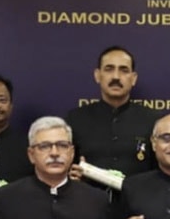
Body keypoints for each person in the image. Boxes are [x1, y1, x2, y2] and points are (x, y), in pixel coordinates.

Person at [65, 45, 160, 181]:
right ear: (97, 75)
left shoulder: (153, 121)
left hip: (139, 195)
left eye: (124, 70)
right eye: (109, 69)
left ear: (133, 78)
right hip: (86, 194)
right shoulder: (74, 120)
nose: (116, 76)